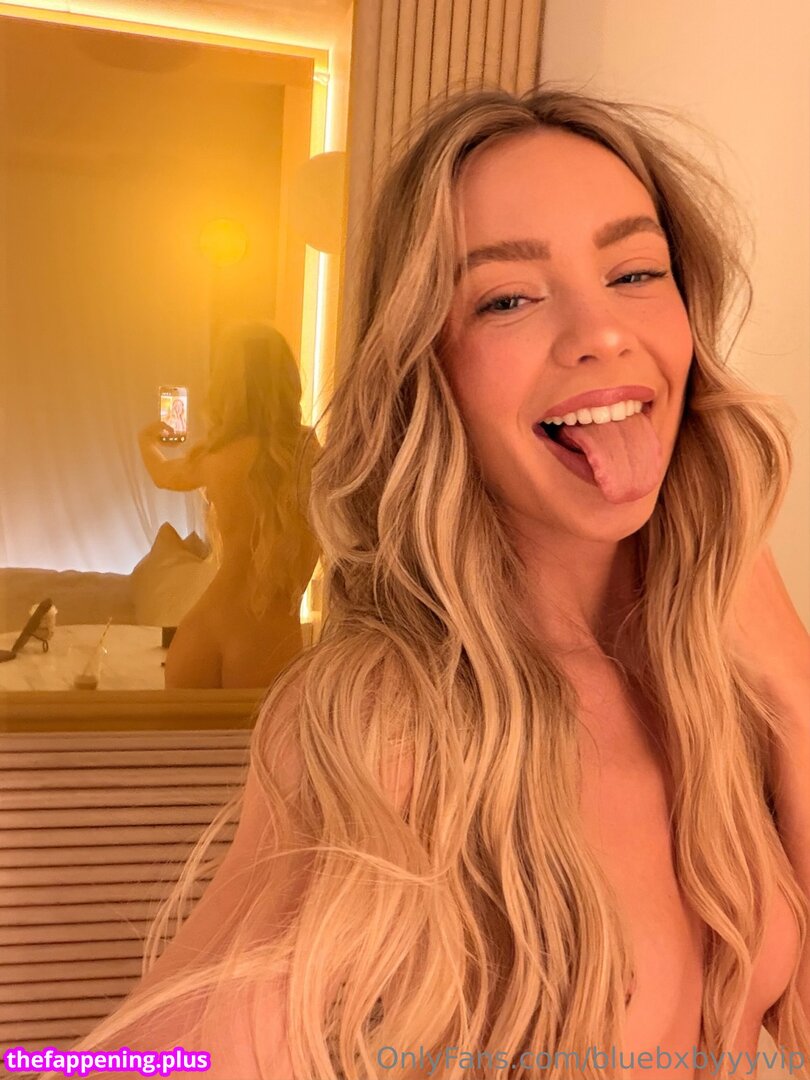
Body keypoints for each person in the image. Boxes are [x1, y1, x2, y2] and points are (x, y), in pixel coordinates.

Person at [44, 85, 810, 1079]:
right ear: (429, 370)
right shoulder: (394, 719)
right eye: (507, 298)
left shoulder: (715, 670)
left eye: (634, 272)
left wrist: (791, 683)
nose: (600, 331)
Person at [137, 321, 321, 688]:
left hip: (202, 628)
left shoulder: (216, 456)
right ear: (288, 381)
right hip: (266, 633)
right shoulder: (308, 454)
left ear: (224, 388)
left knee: (184, 728)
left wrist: (147, 441)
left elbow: (162, 474)